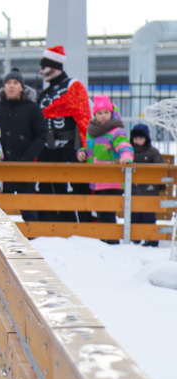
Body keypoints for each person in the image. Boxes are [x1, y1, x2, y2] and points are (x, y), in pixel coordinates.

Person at [36, 45, 92, 224]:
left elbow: (83, 116)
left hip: (70, 148)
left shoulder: (73, 86)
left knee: (78, 186)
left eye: (44, 67)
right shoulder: (44, 93)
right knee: (46, 186)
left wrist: (85, 147)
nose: (41, 72)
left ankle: (82, 225)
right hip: (46, 149)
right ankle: (50, 224)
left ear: (54, 67)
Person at [0, 68, 46, 221]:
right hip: (0, 166)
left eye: (15, 83)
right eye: (8, 83)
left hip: (24, 167)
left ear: (22, 87)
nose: (11, 86)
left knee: (27, 207)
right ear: (4, 87)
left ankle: (34, 240)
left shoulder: (32, 108)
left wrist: (27, 157)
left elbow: (41, 135)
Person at [77, 96, 133, 244]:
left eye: (106, 112)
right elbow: (90, 150)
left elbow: (124, 146)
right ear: (95, 115)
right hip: (97, 180)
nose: (103, 116)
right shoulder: (91, 133)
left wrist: (126, 157)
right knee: (101, 212)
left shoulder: (115, 131)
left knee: (107, 212)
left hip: (112, 179)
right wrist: (82, 153)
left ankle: (111, 241)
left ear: (111, 113)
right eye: (99, 113)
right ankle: (105, 240)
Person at [129, 124, 163, 246]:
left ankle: (151, 239)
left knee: (148, 217)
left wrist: (161, 183)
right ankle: (135, 238)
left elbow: (160, 168)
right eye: (135, 138)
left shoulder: (152, 152)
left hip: (149, 192)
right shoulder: (129, 152)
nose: (137, 140)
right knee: (135, 216)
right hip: (134, 191)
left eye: (141, 138)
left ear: (146, 138)